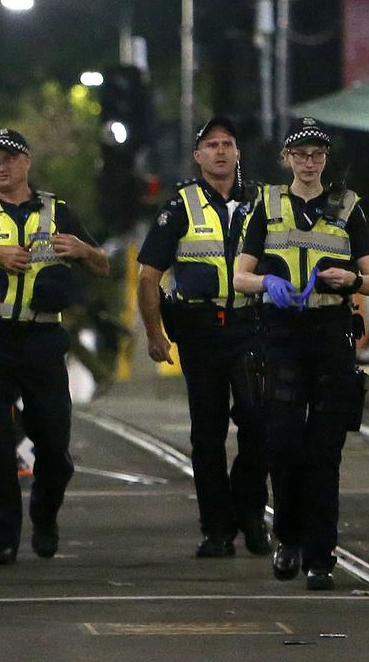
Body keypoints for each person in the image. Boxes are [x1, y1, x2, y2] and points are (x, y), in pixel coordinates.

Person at [233, 117, 369, 591]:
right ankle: (288, 536)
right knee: (281, 443)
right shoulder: (266, 205)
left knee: (324, 450)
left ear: (326, 160)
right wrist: (268, 284)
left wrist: (351, 281)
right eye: (301, 154)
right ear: (287, 159)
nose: (310, 162)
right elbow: (239, 276)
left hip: (330, 333)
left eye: (317, 154)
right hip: (280, 335)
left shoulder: (347, 207)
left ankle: (320, 556)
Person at [0, 129, 108, 565]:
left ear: (27, 162)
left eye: (8, 159)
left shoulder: (59, 211)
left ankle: (44, 512)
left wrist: (81, 249)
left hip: (42, 340)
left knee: (54, 444)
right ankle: (1, 538)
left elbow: (103, 264)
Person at [136, 117, 270, 558]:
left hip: (252, 325)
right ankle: (217, 528)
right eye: (210, 145)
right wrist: (155, 334)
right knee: (207, 432)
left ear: (237, 152)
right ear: (198, 156)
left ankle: (250, 511)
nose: (219, 151)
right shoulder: (179, 206)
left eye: (227, 144)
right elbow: (148, 275)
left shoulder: (263, 203)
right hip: (200, 331)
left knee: (258, 420)